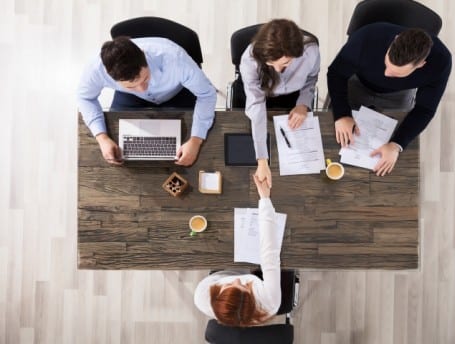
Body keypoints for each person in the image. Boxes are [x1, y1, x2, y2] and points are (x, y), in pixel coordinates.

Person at [327, 22, 452, 176]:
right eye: (386, 64)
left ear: (420, 64)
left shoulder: (441, 62)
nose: (386, 74)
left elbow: (425, 108)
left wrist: (396, 144)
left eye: (395, 74)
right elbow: (336, 74)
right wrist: (342, 114)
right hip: (358, 83)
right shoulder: (366, 37)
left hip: (398, 94)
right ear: (395, 40)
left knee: (397, 146)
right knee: (333, 136)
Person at [77, 36, 217, 166]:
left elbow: (207, 94)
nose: (142, 89)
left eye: (145, 78)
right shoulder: (96, 69)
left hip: (177, 93)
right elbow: (85, 97)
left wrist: (196, 140)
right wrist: (102, 138)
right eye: (132, 85)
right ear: (109, 76)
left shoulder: (175, 58)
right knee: (121, 149)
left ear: (143, 54)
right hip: (130, 98)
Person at [240, 19, 320, 187]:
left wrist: (303, 104)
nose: (277, 70)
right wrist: (262, 160)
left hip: (295, 97)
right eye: (271, 63)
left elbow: (311, 78)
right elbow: (256, 106)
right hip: (263, 96)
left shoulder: (310, 51)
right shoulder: (250, 60)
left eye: (285, 63)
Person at [194, 174, 281, 327]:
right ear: (252, 300)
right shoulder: (270, 303)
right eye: (244, 286)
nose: (237, 280)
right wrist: (265, 199)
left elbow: (233, 279)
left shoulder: (202, 297)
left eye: (229, 286)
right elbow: (270, 253)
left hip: (219, 276)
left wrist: (229, 282)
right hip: (247, 267)